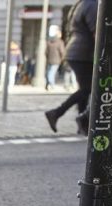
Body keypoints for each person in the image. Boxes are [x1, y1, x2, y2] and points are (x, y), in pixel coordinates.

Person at [43, 0, 97, 134]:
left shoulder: (80, 4)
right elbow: (97, 30)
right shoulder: (92, 4)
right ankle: (57, 113)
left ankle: (82, 123)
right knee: (88, 89)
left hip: (77, 51)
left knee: (84, 89)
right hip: (83, 52)